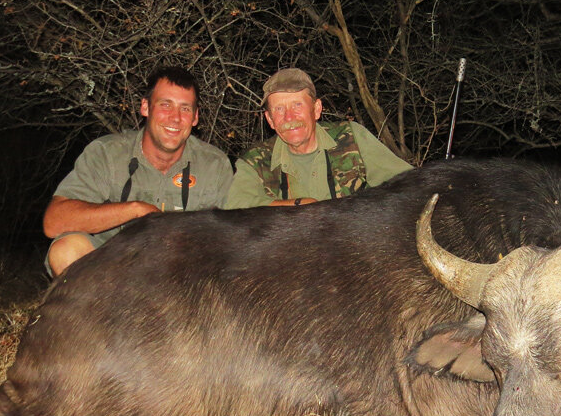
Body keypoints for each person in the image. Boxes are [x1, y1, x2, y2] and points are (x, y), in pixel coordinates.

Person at [43, 66, 232, 276]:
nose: (175, 118)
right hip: (114, 274)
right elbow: (54, 222)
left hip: (180, 278)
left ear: (195, 118)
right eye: (165, 105)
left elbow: (230, 239)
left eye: (185, 108)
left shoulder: (215, 164)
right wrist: (136, 210)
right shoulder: (107, 153)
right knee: (66, 250)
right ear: (145, 107)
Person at [226, 67, 412, 208]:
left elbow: (408, 183)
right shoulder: (255, 161)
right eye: (279, 109)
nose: (289, 117)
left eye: (297, 105)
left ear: (316, 109)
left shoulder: (351, 138)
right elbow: (235, 207)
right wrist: (299, 206)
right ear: (270, 119)